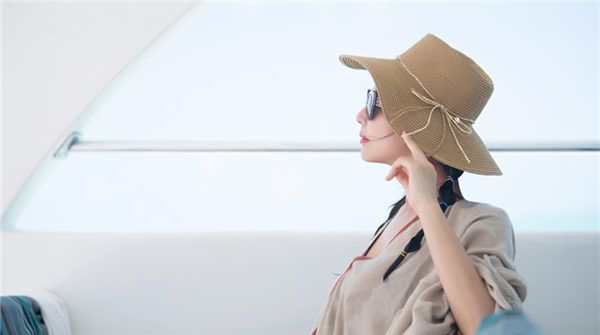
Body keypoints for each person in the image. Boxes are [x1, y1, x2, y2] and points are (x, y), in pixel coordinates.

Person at [310, 33, 529, 335]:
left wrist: (427, 205)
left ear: (422, 126)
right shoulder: (394, 218)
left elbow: (486, 326)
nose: (360, 115)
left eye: (375, 103)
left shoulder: (482, 221)